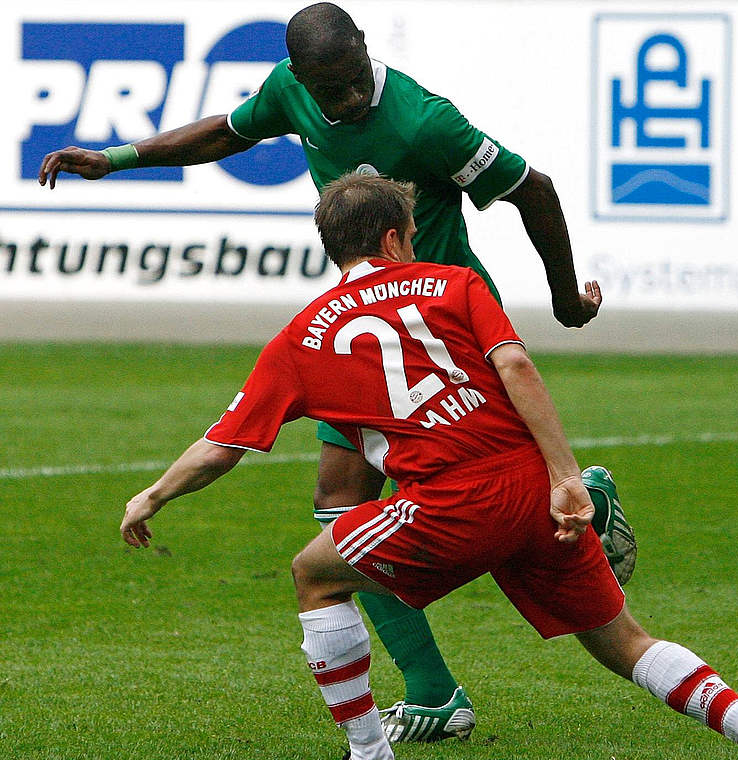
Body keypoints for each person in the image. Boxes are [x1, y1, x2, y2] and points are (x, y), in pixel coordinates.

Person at [39, 2, 637, 741]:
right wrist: (121, 158)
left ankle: (573, 505)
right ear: (301, 78)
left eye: (354, 83)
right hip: (363, 332)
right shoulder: (290, 88)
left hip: (443, 332)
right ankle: (436, 691)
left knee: (447, 499)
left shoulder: (425, 120)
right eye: (331, 93)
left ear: (364, 48)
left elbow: (532, 188)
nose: (347, 101)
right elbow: (228, 131)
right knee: (339, 503)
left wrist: (563, 299)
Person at [119, 173, 738, 760]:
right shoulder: (456, 284)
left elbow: (223, 446)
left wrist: (152, 495)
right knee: (625, 641)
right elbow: (515, 364)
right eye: (412, 233)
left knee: (314, 574)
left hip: (450, 503)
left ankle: (369, 752)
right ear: (394, 238)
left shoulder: (302, 336)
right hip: (534, 488)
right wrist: (566, 477)